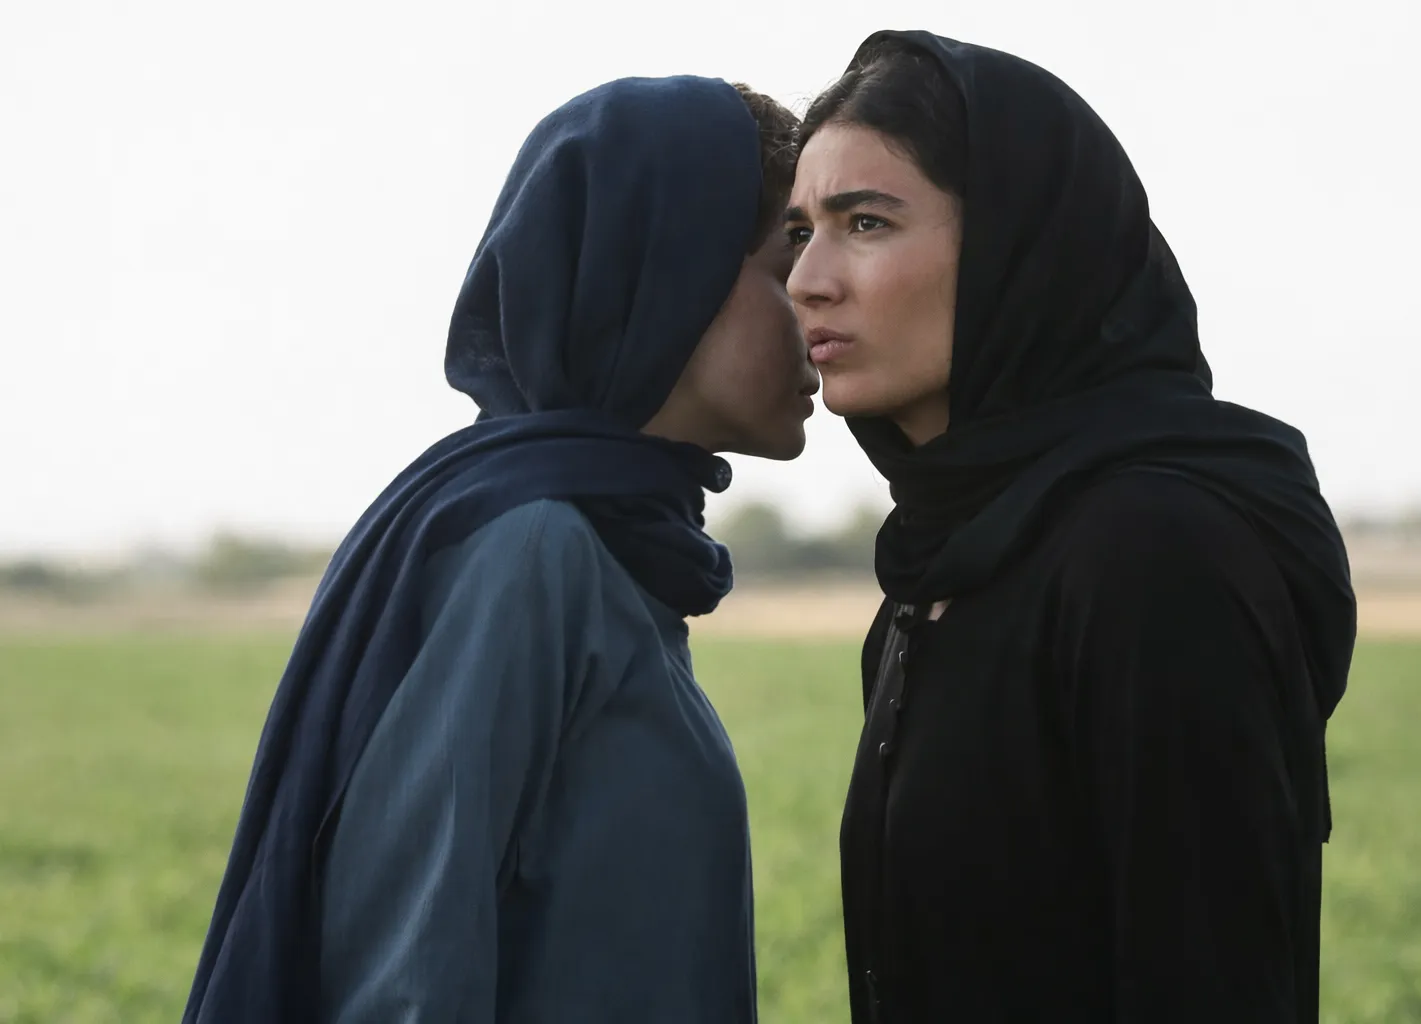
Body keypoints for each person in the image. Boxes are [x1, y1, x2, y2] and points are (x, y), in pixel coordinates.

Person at [182, 76, 815, 1024]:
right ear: (669, 273)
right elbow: (407, 983)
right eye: (786, 260)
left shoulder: (615, 546)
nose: (819, 299)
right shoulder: (532, 548)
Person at [785, 30, 1356, 1023]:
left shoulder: (1153, 554)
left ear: (1019, 248)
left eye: (866, 222)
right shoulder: (939, 570)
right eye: (801, 233)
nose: (808, 279)